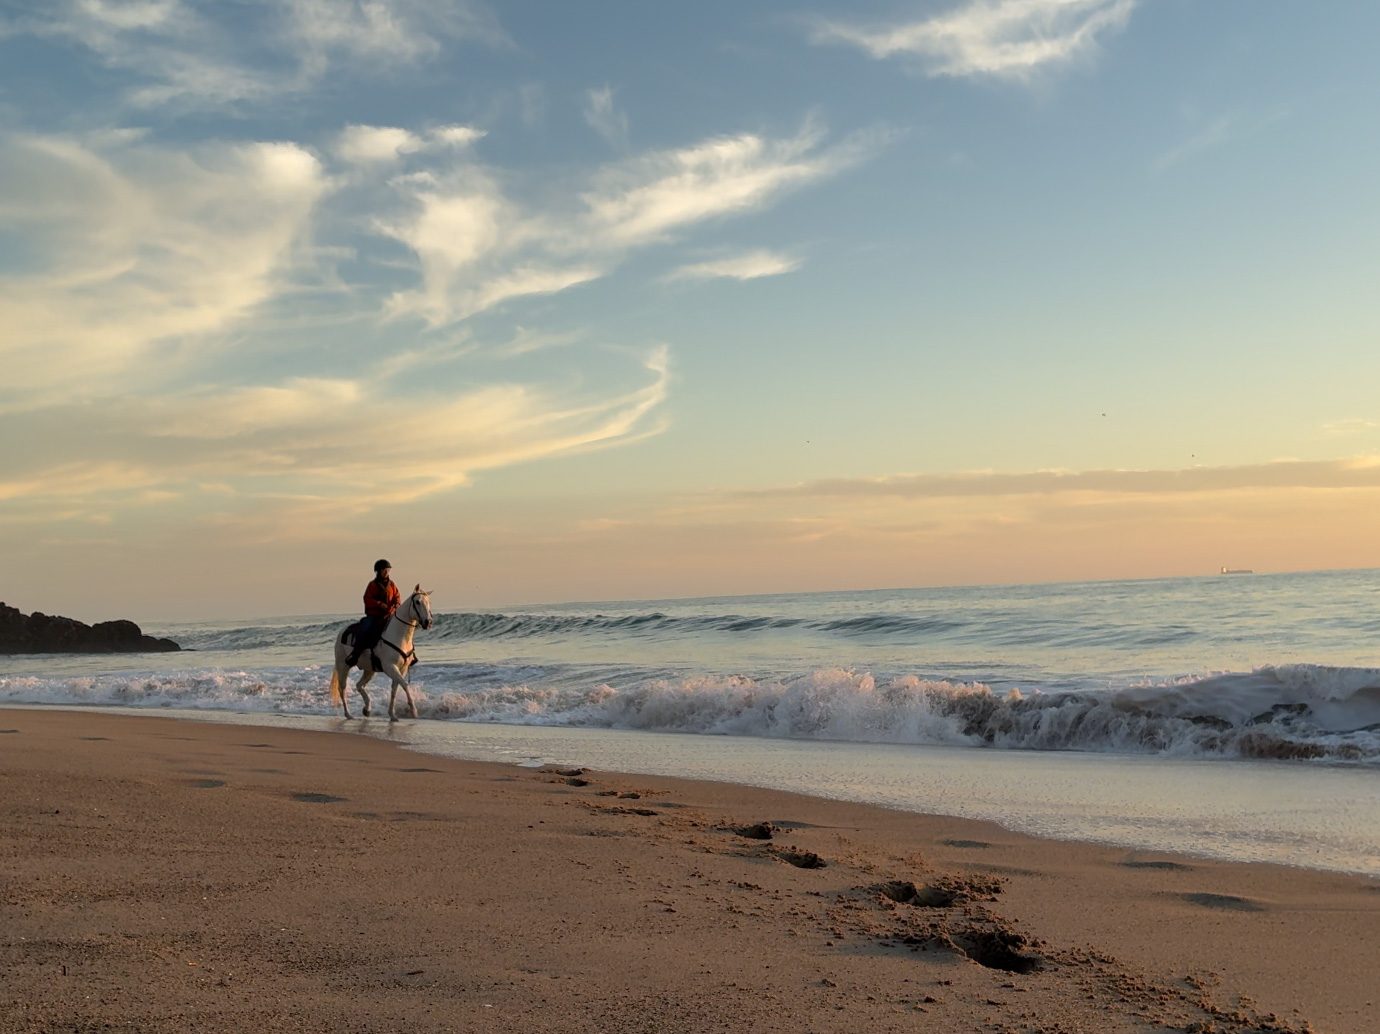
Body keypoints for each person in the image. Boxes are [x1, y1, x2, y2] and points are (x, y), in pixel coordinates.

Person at [346, 559, 401, 667]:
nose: (386, 572)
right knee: (366, 629)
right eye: (384, 570)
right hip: (375, 615)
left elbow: (397, 597)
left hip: (389, 614)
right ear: (378, 571)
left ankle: (409, 654)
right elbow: (367, 599)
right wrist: (379, 603)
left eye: (388, 570)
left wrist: (395, 606)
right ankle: (355, 654)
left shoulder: (392, 585)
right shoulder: (372, 585)